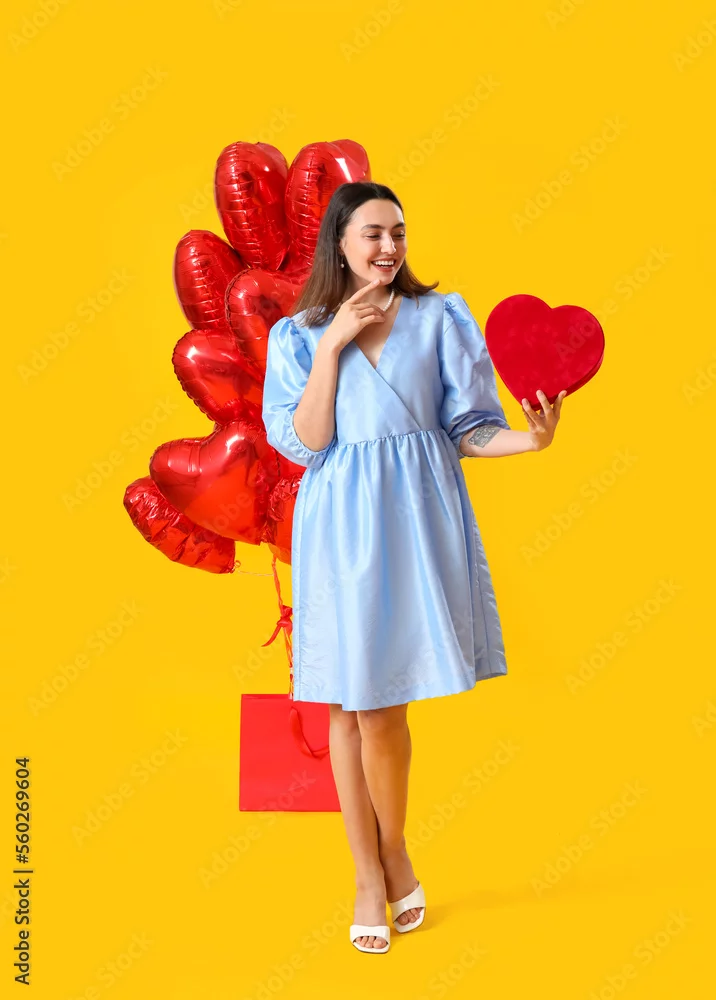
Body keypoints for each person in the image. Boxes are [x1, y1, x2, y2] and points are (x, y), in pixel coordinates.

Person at [261, 181, 567, 954]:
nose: (389, 246)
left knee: (385, 708)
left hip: (413, 522)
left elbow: (468, 427)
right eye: (373, 233)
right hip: (339, 526)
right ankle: (369, 874)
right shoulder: (298, 336)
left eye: (398, 231)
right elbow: (306, 441)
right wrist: (332, 345)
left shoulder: (440, 317)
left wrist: (531, 441)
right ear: (339, 243)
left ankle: (393, 848)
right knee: (346, 704)